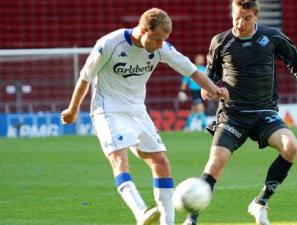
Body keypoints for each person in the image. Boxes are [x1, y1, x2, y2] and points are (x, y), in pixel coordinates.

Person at [60, 8, 228, 225]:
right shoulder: (110, 44)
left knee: (161, 162)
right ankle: (141, 213)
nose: (159, 45)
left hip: (137, 111)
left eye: (163, 40)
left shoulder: (161, 48)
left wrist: (215, 89)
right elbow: (85, 78)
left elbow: (191, 71)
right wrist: (73, 110)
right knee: (119, 158)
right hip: (108, 110)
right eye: (157, 38)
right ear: (142, 29)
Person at [183, 1, 297, 225]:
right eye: (236, 17)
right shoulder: (220, 41)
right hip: (233, 115)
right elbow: (210, 75)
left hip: (264, 113)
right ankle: (191, 219)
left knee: (291, 147)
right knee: (216, 163)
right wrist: (208, 90)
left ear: (256, 16)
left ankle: (260, 203)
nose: (240, 23)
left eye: (246, 18)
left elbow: (296, 59)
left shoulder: (272, 37)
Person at [178, 54, 208, 131]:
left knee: (194, 109)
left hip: (202, 90)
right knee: (200, 106)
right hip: (193, 90)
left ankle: (186, 126)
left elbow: (207, 81)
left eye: (202, 59)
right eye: (199, 58)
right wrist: (182, 91)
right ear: (195, 59)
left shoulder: (204, 69)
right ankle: (205, 125)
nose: (200, 60)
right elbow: (185, 81)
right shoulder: (191, 69)